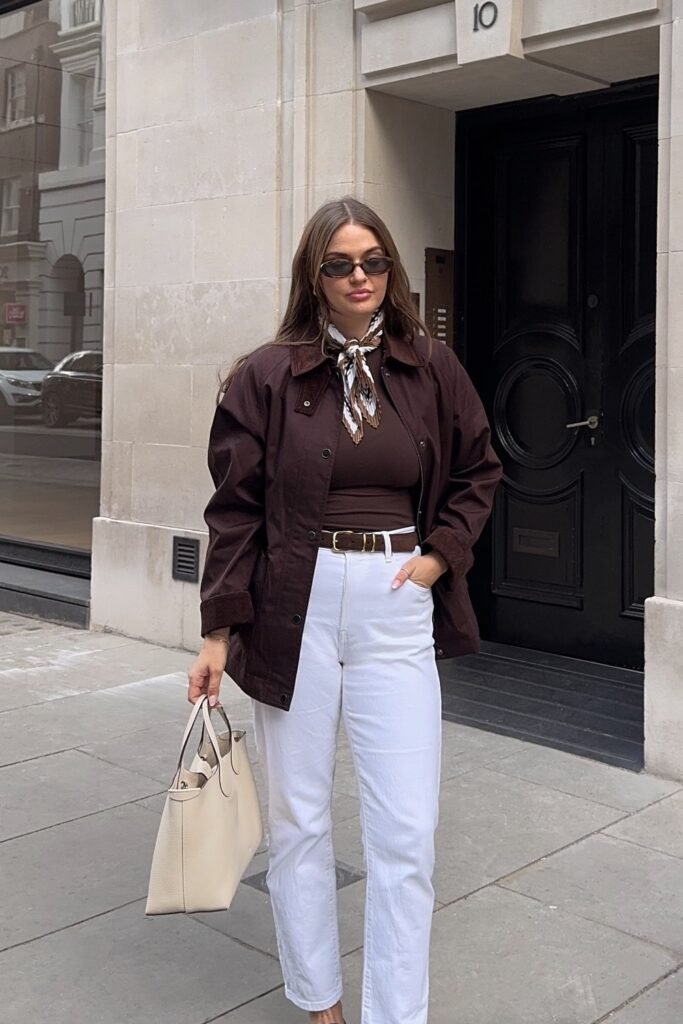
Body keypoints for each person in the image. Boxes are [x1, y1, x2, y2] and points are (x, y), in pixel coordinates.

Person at [187, 197, 502, 1024]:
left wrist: (437, 558)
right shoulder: (265, 373)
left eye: (372, 262)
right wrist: (218, 631)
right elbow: (235, 510)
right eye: (339, 264)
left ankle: (396, 1013)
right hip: (295, 602)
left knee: (405, 831)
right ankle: (317, 1000)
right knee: (299, 819)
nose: (358, 277)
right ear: (313, 276)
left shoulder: (430, 366)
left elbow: (478, 471)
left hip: (396, 600)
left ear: (390, 270)